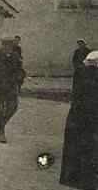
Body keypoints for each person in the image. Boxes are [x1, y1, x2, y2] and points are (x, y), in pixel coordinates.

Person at [60, 50, 98, 190]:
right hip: (90, 123)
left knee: (79, 155)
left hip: (78, 123)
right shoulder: (90, 79)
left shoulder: (82, 76)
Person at [0, 36, 26, 143]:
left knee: (12, 108)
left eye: (10, 44)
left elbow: (20, 70)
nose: (8, 47)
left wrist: (20, 76)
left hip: (12, 87)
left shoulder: (16, 56)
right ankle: (1, 132)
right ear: (2, 45)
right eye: (5, 44)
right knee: (0, 110)